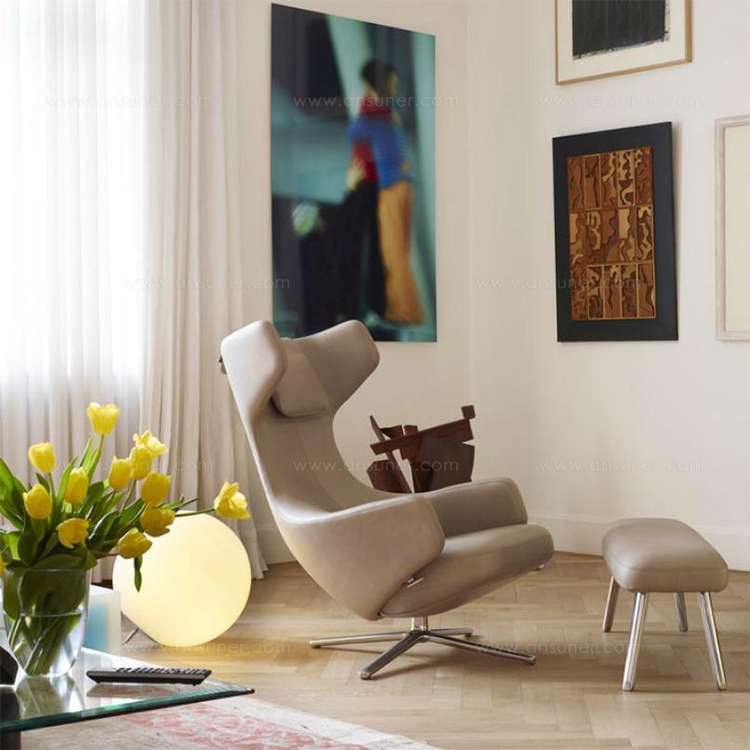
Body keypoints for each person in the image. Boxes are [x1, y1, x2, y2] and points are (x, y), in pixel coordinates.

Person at [347, 60, 423, 326]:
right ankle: (397, 308)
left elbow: (353, 132)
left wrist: (367, 102)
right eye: (392, 81)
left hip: (391, 187)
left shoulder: (376, 115)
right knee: (396, 250)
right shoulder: (389, 114)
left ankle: (404, 311)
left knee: (392, 252)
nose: (395, 86)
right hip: (402, 185)